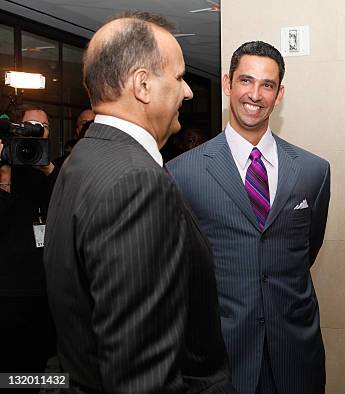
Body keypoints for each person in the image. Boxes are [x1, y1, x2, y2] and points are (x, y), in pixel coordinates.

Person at [43, 11, 235, 393]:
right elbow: (141, 377)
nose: (189, 92)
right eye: (179, 77)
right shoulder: (136, 182)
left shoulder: (82, 160)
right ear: (143, 85)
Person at [168, 41, 330, 394]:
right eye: (246, 81)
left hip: (295, 354)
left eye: (267, 85)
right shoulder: (182, 173)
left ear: (279, 93)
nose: (255, 94)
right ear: (228, 84)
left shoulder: (313, 172)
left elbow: (306, 250)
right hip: (220, 355)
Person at [0, 105, 57, 387]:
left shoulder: (51, 171)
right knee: (11, 370)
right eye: (30, 126)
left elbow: (70, 203)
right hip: (11, 292)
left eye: (42, 127)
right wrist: (5, 176)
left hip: (47, 290)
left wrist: (48, 168)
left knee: (41, 366)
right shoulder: (6, 168)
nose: (36, 132)